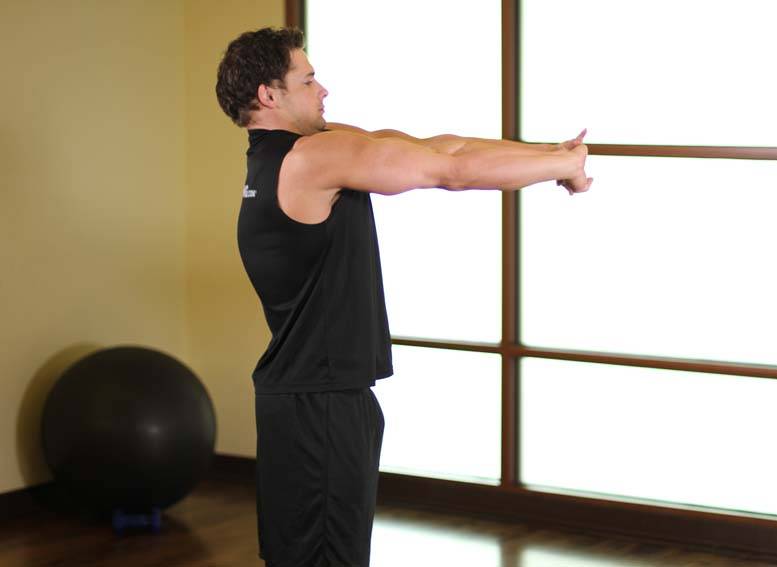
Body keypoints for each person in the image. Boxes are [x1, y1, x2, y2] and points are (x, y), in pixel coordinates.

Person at [215, 26, 592, 567]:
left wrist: (551, 153)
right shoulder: (312, 159)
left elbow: (438, 147)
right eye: (308, 79)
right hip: (321, 407)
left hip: (309, 399)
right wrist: (562, 168)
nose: (324, 89)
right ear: (268, 96)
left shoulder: (288, 156)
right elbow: (452, 172)